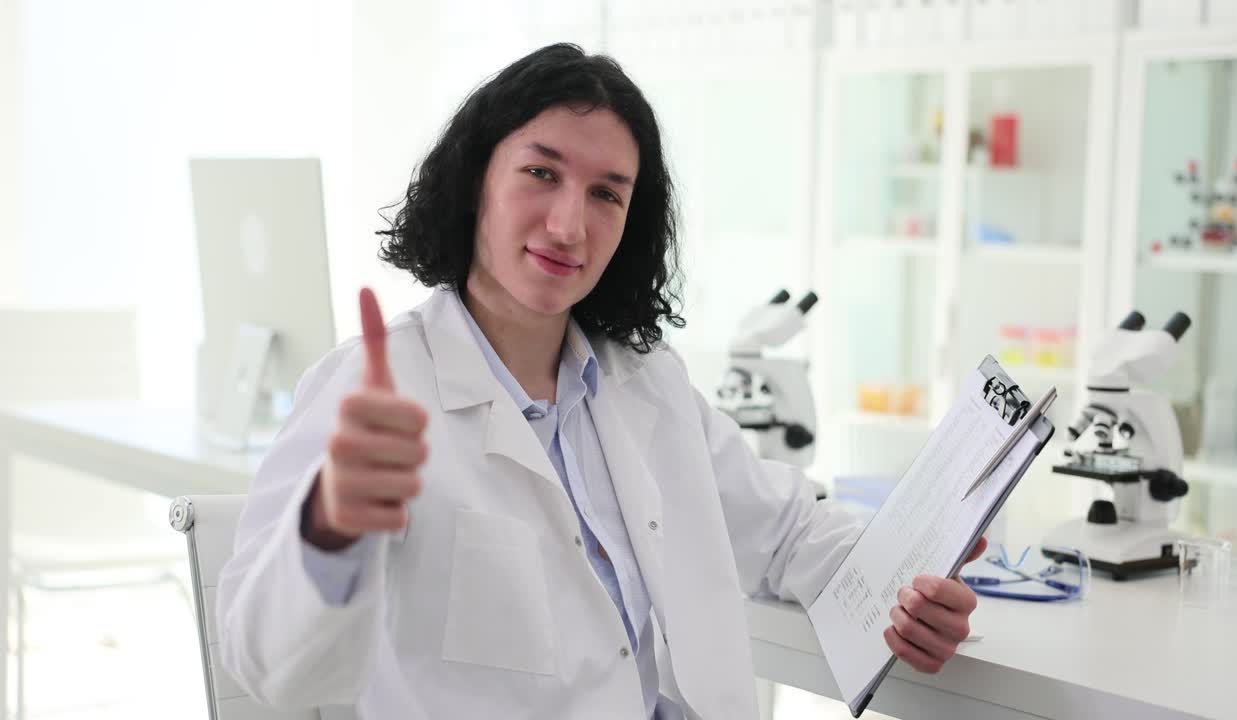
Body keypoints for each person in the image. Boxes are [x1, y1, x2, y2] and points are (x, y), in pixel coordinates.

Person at [216, 43, 985, 719]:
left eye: (606, 194)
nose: (568, 226)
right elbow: (270, 667)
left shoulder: (642, 383)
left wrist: (908, 583)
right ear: (475, 179)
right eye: (541, 173)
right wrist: (331, 525)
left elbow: (785, 532)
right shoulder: (371, 392)